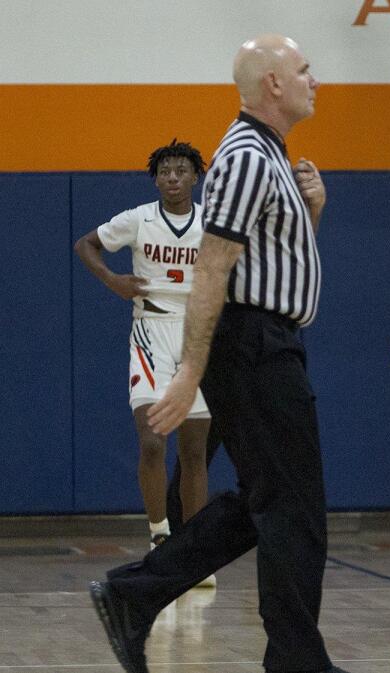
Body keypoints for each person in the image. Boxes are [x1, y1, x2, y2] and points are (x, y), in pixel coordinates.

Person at [88, 34, 351, 673]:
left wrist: (313, 210)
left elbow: (272, 263)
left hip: (268, 341)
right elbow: (215, 264)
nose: (316, 80)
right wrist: (189, 371)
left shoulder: (270, 156)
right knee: (293, 509)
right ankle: (294, 661)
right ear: (273, 86)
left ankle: (133, 594)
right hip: (253, 345)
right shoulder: (245, 156)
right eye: (305, 70)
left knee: (268, 500)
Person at [74, 141, 215, 578]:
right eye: (165, 171)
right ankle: (160, 534)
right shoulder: (139, 219)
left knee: (195, 452)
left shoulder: (212, 223)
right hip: (150, 332)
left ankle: (194, 552)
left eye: (181, 170)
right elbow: (86, 245)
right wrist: (113, 280)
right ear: (156, 179)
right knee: (153, 441)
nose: (173, 177)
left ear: (195, 177)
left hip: (197, 336)